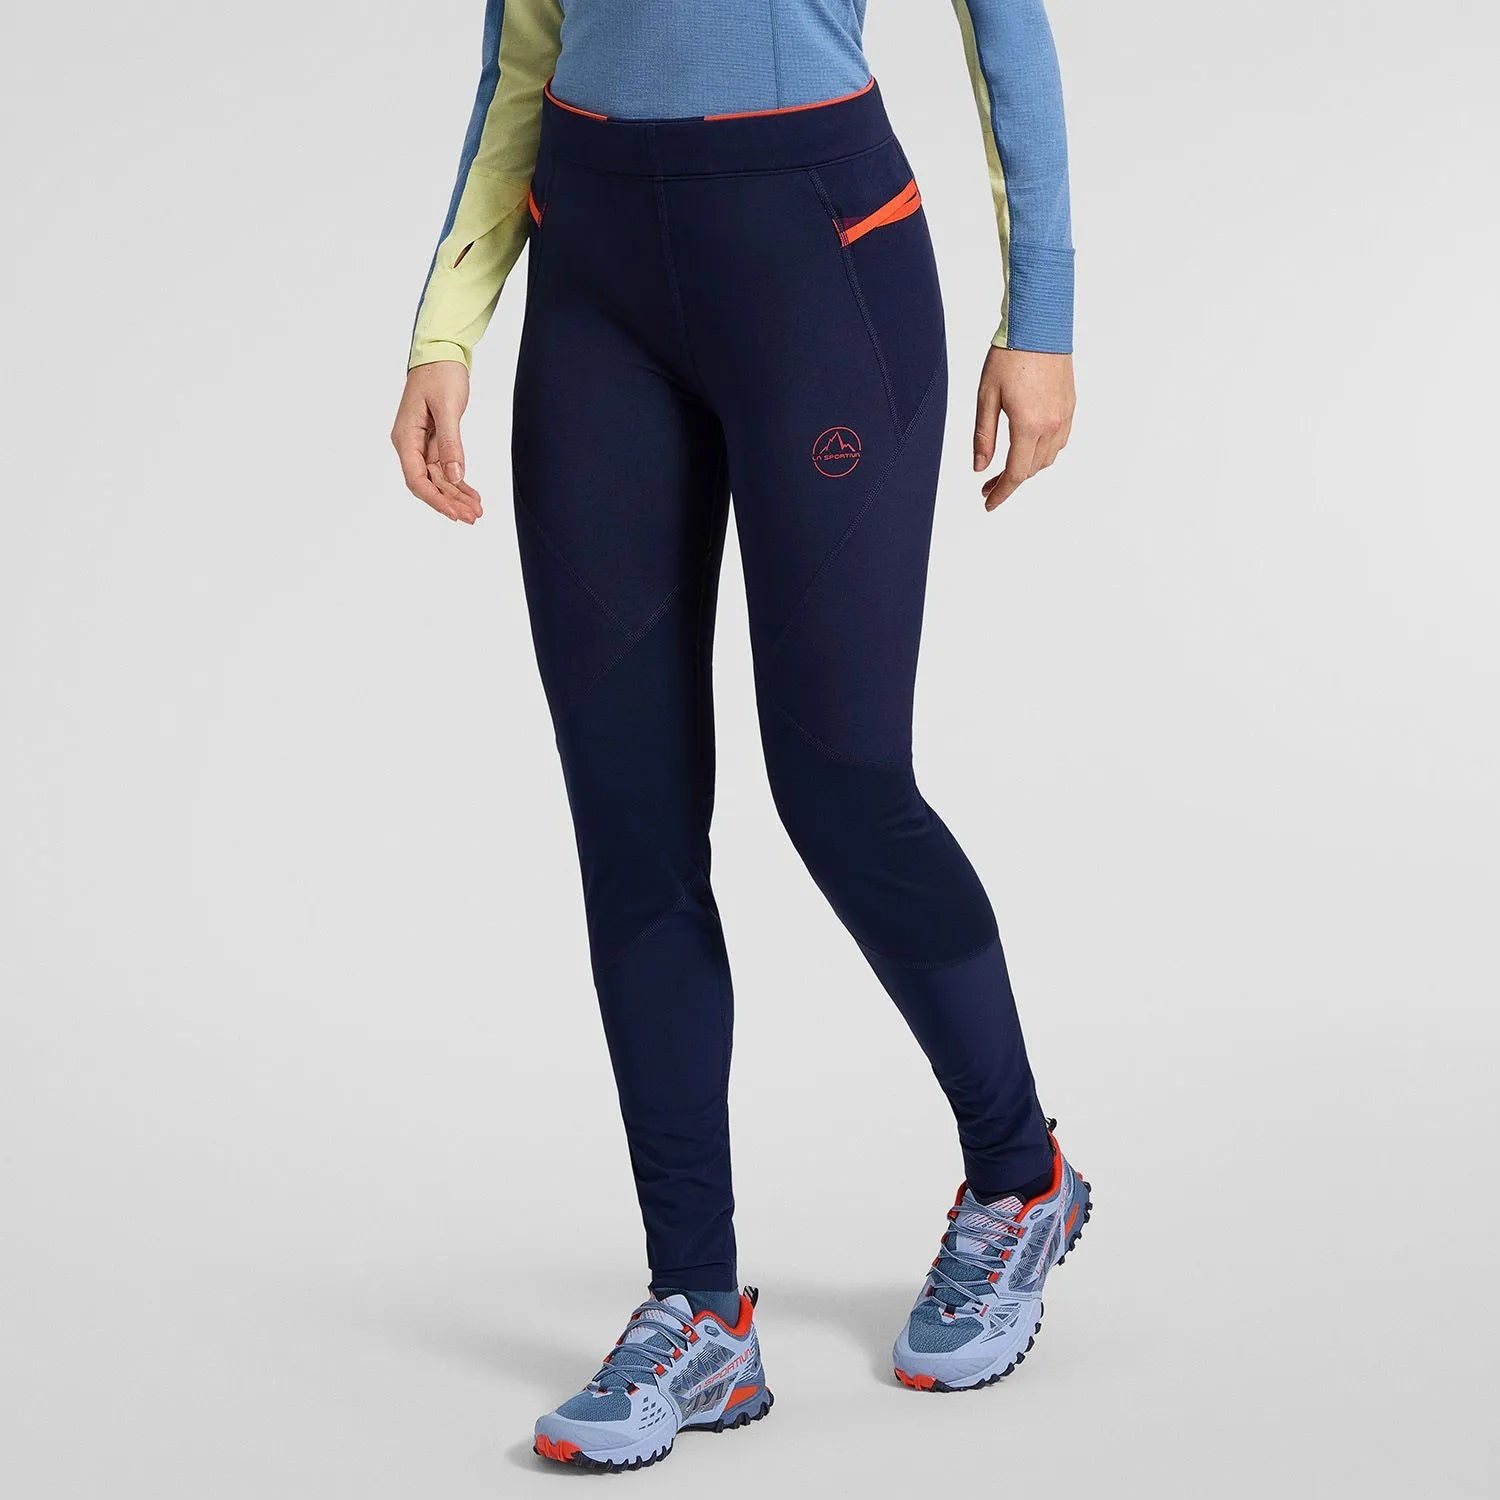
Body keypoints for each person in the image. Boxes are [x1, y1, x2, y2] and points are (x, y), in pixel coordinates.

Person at [390, 0, 1090, 1472]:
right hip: (593, 285)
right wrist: (447, 323)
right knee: (630, 818)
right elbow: (525, 51)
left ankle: (1021, 1177)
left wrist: (1043, 312)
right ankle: (697, 1311)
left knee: (839, 782)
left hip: (818, 261)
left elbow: (1006, 27)